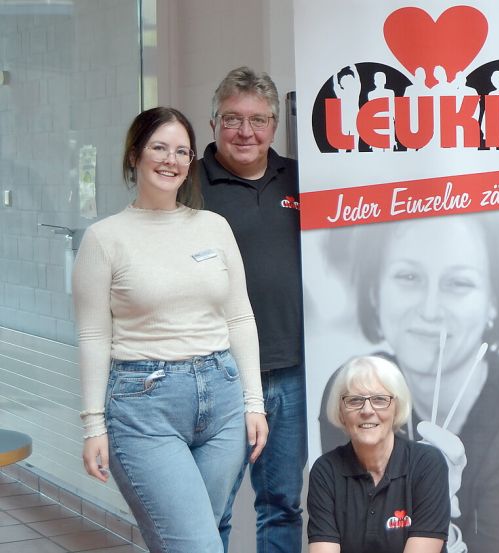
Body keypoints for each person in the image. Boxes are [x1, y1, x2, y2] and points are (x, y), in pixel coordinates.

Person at [318, 214, 499, 553]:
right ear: (374, 291)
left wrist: (432, 510)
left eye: (458, 283)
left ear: (493, 301)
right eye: (408, 276)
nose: (430, 310)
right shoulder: (356, 390)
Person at [72, 107, 268, 553]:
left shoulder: (213, 227)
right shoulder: (105, 239)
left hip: (222, 401)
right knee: (196, 545)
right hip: (144, 408)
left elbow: (239, 317)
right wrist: (92, 426)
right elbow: (93, 337)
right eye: (159, 147)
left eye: (182, 151)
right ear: (135, 155)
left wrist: (253, 403)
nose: (170, 160)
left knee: (206, 532)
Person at [199, 66, 306, 553]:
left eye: (259, 120)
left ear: (274, 126)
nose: (246, 132)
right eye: (233, 119)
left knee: (282, 504)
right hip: (216, 372)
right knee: (209, 506)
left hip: (290, 371)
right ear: (213, 122)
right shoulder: (189, 184)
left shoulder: (302, 178)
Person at [308, 355, 450, 553]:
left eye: (379, 399)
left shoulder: (427, 464)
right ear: (340, 412)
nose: (367, 410)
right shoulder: (326, 471)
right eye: (355, 400)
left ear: (397, 408)